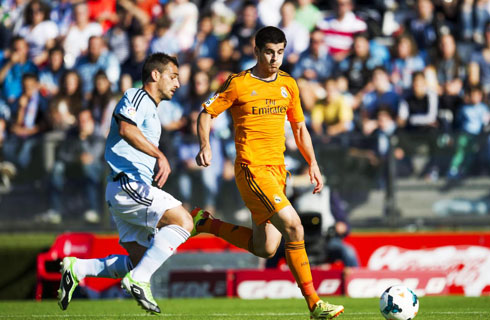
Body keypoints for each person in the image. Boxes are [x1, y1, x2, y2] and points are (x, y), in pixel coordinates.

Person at [194, 26, 344, 319]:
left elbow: (299, 127)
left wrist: (312, 162)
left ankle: (205, 223)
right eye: (269, 52)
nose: (275, 58)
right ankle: (315, 304)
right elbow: (206, 114)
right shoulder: (238, 83)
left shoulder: (288, 83)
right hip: (252, 169)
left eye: (280, 52)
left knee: (266, 247)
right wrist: (205, 145)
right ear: (256, 51)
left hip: (278, 172)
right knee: (295, 226)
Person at [58, 53, 194, 314]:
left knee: (142, 260)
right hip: (128, 185)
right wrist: (160, 154)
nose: (177, 84)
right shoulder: (137, 96)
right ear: (155, 75)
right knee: (183, 221)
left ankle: (79, 268)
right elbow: (126, 129)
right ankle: (138, 281)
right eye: (173, 76)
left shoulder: (153, 112)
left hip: (122, 188)